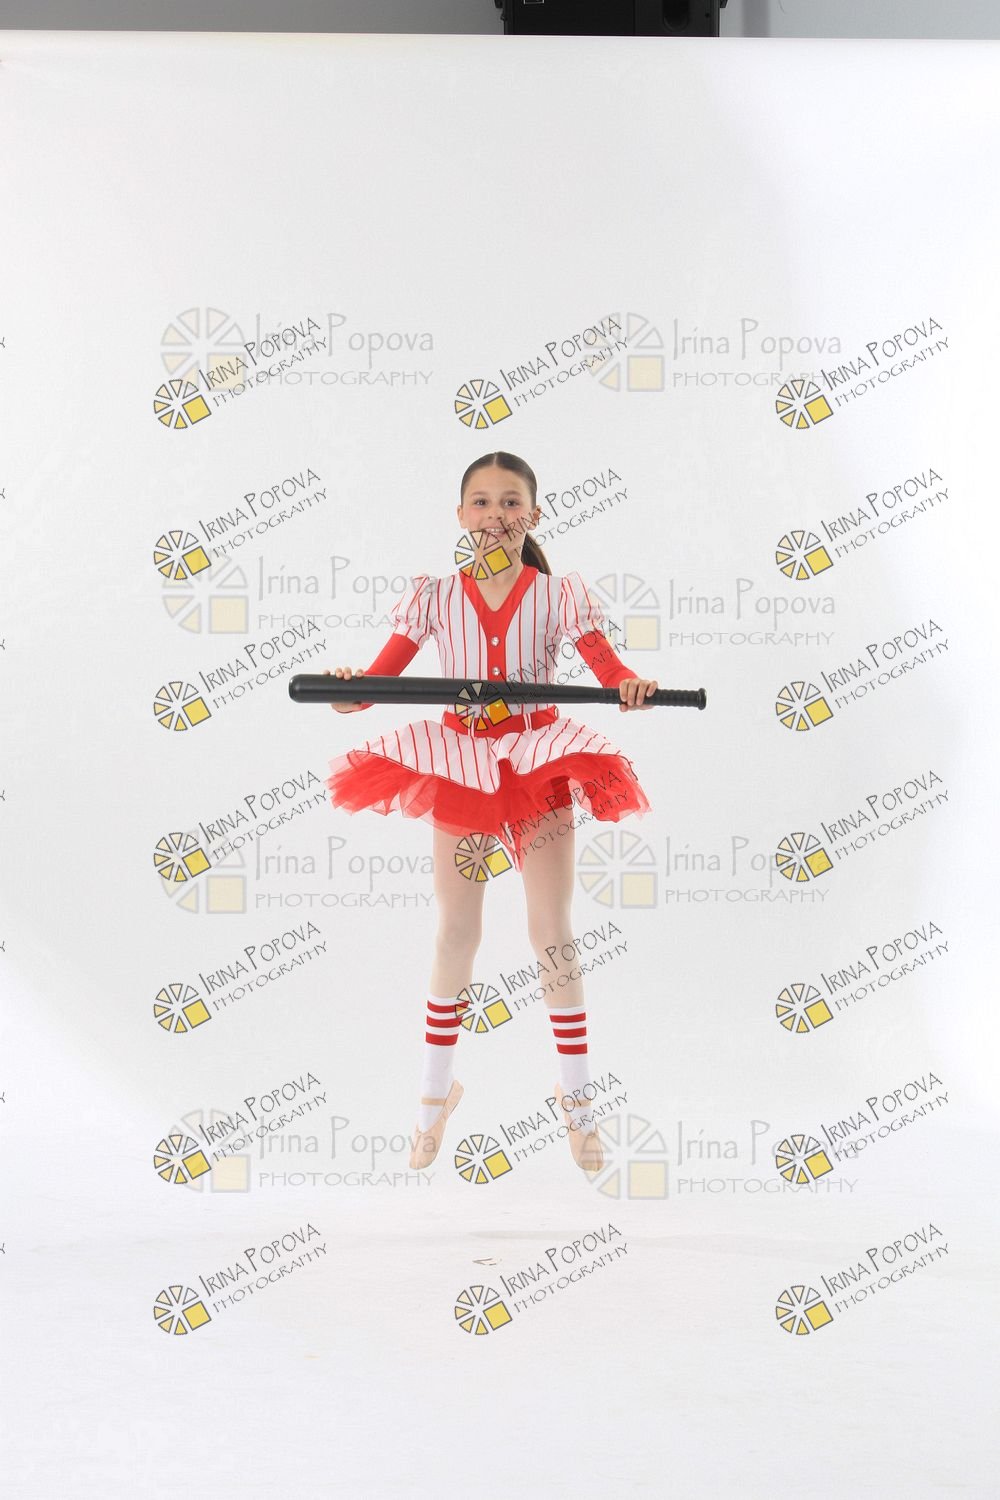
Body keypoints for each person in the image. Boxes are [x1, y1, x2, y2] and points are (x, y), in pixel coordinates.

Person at [323, 451, 657, 1176]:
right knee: (456, 932)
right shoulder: (437, 596)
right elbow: (377, 681)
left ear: (532, 514)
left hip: (536, 764)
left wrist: (629, 685)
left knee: (552, 933)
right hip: (464, 767)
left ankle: (578, 1102)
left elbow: (608, 667)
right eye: (481, 502)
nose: (496, 515)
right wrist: (348, 689)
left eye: (510, 502)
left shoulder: (559, 595)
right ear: (460, 516)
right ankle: (433, 1100)